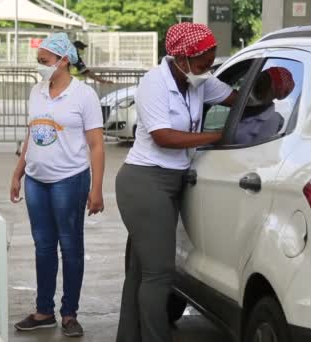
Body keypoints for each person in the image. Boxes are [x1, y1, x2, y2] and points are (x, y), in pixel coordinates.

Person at [115, 23, 238, 342]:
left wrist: (270, 88)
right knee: (160, 274)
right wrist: (216, 136)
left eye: (210, 63)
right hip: (145, 181)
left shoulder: (197, 81)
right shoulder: (153, 84)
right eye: (202, 65)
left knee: (142, 271)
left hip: (173, 179)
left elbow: (236, 98)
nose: (206, 71)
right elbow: (163, 136)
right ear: (181, 58)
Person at [10, 33, 105, 337]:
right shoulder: (37, 92)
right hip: (37, 180)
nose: (40, 67)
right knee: (43, 247)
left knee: (71, 246)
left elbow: (96, 145)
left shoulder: (84, 95)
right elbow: (32, 134)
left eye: (45, 61)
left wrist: (97, 188)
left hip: (70, 180)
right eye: (39, 62)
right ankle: (43, 311)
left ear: (64, 60)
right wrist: (18, 172)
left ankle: (69, 313)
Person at [235, 67, 294, 145]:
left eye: (261, 86)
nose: (254, 87)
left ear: (273, 95)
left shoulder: (271, 120)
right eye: (257, 81)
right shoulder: (240, 102)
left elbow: (258, 153)